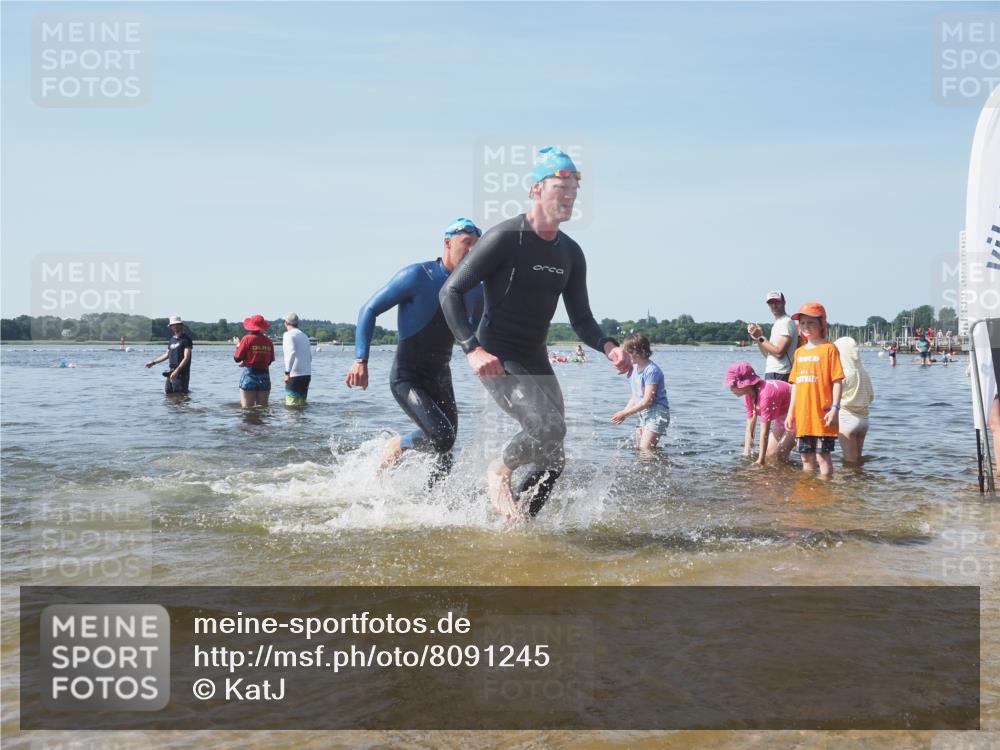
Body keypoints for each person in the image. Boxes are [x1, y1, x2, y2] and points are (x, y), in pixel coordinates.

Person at [439, 146, 631, 519]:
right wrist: (472, 349)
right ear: (537, 189)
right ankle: (499, 468)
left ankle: (519, 525)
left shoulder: (570, 253)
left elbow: (581, 319)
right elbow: (450, 292)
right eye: (562, 187)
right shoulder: (505, 237)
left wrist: (608, 346)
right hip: (497, 354)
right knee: (549, 427)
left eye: (574, 189)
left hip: (534, 355)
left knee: (553, 455)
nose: (570, 196)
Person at [345, 218, 484, 486]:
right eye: (466, 243)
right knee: (442, 437)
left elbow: (473, 334)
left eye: (476, 245)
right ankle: (398, 445)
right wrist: (360, 360)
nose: (471, 250)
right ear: (447, 243)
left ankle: (434, 504)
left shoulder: (475, 289)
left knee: (446, 449)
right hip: (407, 377)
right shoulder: (418, 276)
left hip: (441, 376)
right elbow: (369, 309)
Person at [784, 302, 844, 478]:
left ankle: (825, 488)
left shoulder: (829, 349)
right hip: (803, 416)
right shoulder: (799, 352)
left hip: (822, 415)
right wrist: (790, 413)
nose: (806, 326)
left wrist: (835, 408)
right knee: (806, 458)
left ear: (822, 324)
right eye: (802, 323)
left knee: (822, 457)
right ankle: (808, 489)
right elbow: (795, 385)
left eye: (811, 322)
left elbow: (837, 381)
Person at [724, 360, 795, 465]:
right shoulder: (749, 394)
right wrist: (746, 451)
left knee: (780, 454)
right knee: (769, 453)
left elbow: (764, 432)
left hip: (799, 412)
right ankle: (783, 472)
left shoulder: (766, 396)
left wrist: (760, 461)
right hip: (783, 416)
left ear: (745, 384)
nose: (731, 388)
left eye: (733, 385)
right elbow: (750, 424)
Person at [611, 335, 670, 450]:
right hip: (643, 413)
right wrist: (624, 411)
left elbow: (648, 401)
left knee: (645, 450)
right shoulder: (634, 369)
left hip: (657, 413)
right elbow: (635, 396)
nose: (626, 355)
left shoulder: (652, 371)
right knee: (639, 449)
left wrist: (625, 413)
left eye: (629, 352)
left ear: (641, 351)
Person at [833, 337, 874, 465]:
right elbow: (871, 397)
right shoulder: (864, 373)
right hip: (864, 421)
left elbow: (832, 397)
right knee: (858, 459)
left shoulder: (842, 374)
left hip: (847, 420)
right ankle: (859, 477)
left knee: (850, 461)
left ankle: (851, 478)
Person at [746, 291, 798, 382]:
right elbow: (768, 355)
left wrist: (760, 337)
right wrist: (758, 338)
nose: (774, 305)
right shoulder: (778, 323)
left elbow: (779, 353)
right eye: (771, 303)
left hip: (782, 373)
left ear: (784, 303)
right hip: (773, 372)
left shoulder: (786, 322)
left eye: (777, 302)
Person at [234, 314, 275, 407]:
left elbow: (237, 358)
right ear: (262, 327)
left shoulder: (247, 339)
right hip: (264, 375)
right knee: (262, 408)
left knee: (247, 408)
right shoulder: (268, 341)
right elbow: (269, 361)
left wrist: (238, 345)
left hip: (250, 374)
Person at [144, 316, 192, 394]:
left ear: (181, 325)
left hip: (182, 373)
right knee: (168, 394)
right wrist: (153, 362)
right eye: (173, 325)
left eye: (177, 324)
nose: (175, 326)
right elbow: (167, 355)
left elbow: (186, 358)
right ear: (170, 327)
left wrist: (177, 371)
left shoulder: (186, 339)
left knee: (180, 395)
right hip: (171, 372)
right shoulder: (172, 340)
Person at [281, 312, 312, 406]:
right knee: (301, 405)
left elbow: (292, 352)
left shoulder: (288, 335)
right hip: (306, 374)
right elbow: (310, 357)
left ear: (286, 322)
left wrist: (287, 372)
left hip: (294, 374)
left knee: (291, 406)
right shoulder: (304, 336)